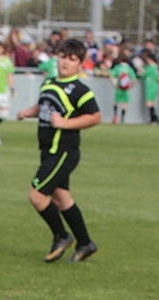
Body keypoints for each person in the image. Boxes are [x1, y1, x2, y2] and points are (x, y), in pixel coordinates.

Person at [16, 38, 102, 264]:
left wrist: (66, 123)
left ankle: (61, 236)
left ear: (80, 64)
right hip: (48, 150)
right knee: (62, 198)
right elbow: (44, 106)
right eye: (63, 57)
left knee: (37, 195)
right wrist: (29, 112)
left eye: (72, 59)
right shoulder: (49, 82)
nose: (65, 62)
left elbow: (95, 116)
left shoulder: (80, 90)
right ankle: (85, 243)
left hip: (64, 151)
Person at [109, 49, 137, 125]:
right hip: (126, 88)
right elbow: (134, 78)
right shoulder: (129, 68)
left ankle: (115, 116)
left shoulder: (118, 67)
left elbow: (111, 75)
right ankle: (122, 118)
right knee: (125, 103)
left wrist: (113, 84)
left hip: (119, 86)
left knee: (116, 102)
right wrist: (131, 85)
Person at [139, 49, 159, 124]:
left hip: (150, 86)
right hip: (154, 86)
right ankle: (154, 118)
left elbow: (142, 74)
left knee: (149, 103)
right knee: (151, 103)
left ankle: (154, 119)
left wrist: (140, 70)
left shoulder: (150, 68)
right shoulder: (156, 68)